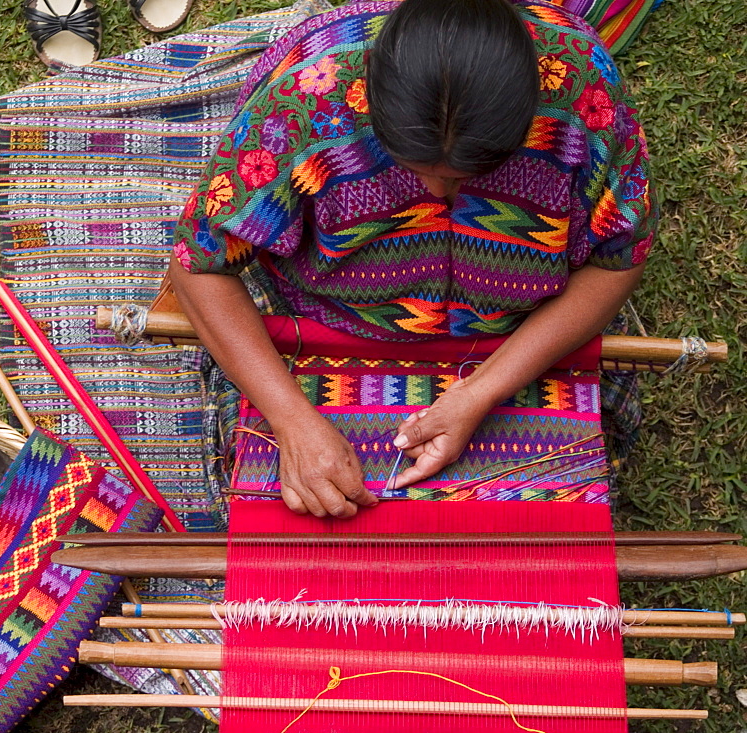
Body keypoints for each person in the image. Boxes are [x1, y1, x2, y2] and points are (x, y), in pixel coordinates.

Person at [168, 0, 656, 520]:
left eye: (470, 174)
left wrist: (482, 391)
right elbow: (199, 264)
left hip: (523, 328)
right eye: (413, 165)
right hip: (329, 326)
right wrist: (292, 421)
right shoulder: (306, 99)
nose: (434, 191)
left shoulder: (580, 84)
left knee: (538, 525)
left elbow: (619, 255)